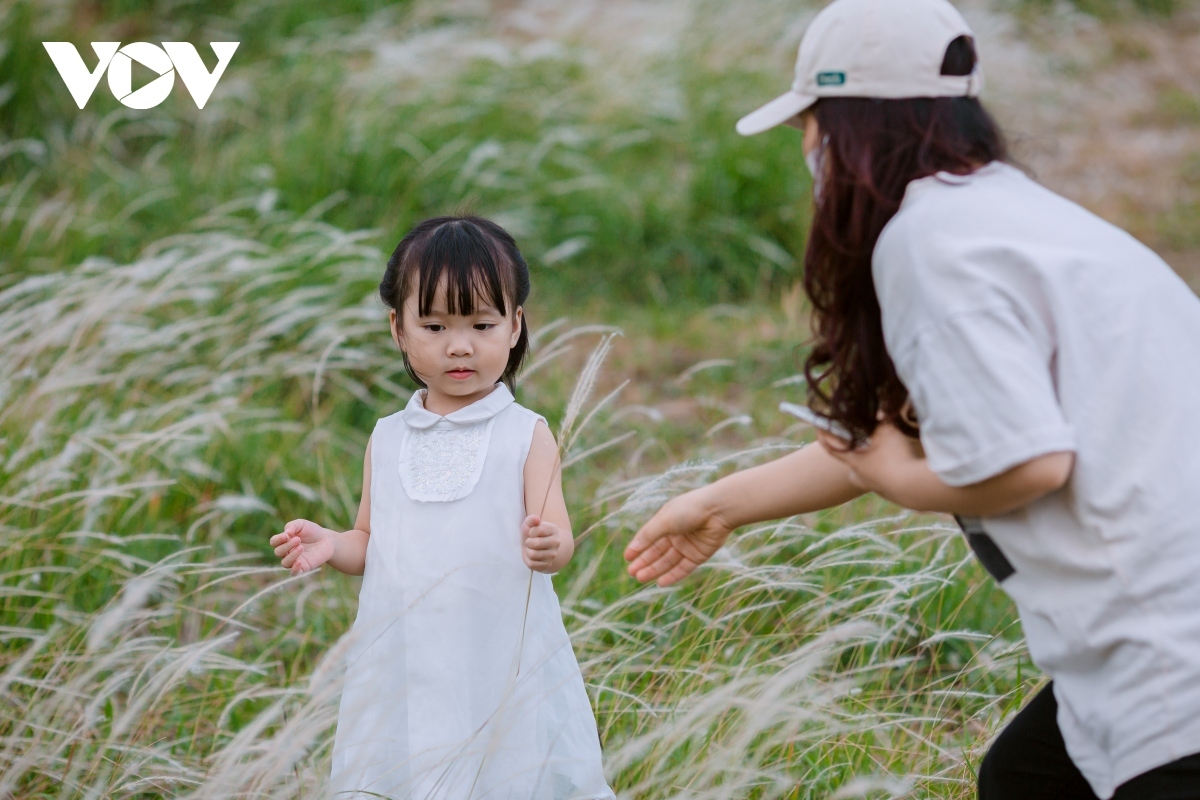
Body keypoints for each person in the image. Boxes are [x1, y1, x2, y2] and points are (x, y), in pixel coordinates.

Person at [623, 0, 1200, 798]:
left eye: (808, 124)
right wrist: (719, 505)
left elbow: (1028, 462)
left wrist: (896, 479)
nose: (806, 148)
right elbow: (883, 440)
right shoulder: (1014, 219)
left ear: (847, 125)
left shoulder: (931, 246)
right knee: (1023, 778)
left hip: (1169, 663)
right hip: (1164, 632)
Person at [269, 216, 614, 799]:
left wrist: (550, 545)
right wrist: (332, 544)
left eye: (482, 323)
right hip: (405, 658)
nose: (460, 345)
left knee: (504, 771)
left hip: (497, 653)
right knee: (406, 766)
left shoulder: (524, 434)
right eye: (434, 325)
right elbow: (371, 539)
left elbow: (558, 530)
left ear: (515, 327)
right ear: (398, 330)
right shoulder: (388, 437)